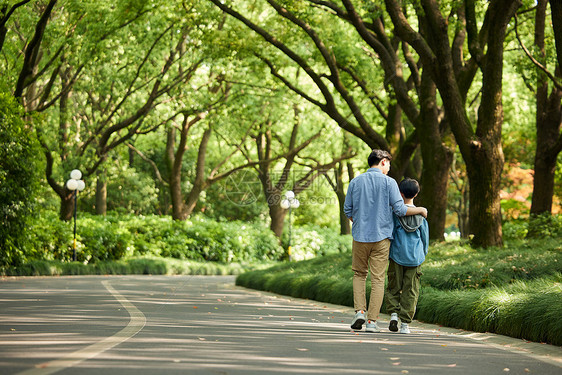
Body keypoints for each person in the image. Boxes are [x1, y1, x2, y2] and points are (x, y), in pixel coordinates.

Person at [344, 150, 427, 332]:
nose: (389, 168)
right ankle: (372, 322)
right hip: (382, 239)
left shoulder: (355, 182)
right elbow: (400, 209)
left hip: (360, 237)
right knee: (378, 279)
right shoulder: (389, 183)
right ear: (382, 162)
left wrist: (360, 223)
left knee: (359, 274)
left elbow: (348, 210)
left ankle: (359, 312)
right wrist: (420, 210)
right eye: (388, 164)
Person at [386, 178, 429, 334]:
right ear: (416, 194)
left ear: (400, 193)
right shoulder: (421, 216)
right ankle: (405, 324)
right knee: (411, 290)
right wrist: (422, 254)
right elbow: (425, 239)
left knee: (393, 286)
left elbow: (389, 234)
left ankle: (393, 315)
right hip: (415, 258)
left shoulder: (395, 213)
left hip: (396, 255)